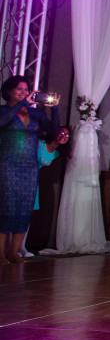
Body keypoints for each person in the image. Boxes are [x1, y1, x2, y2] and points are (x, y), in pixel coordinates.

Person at [0, 76, 60, 264]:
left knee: (24, 208)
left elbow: (54, 130)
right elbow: (3, 122)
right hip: (8, 164)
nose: (24, 93)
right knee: (6, 208)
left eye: (26, 90)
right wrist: (23, 103)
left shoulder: (35, 114)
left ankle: (14, 252)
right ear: (9, 91)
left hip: (29, 166)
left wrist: (55, 108)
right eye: (19, 89)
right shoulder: (4, 110)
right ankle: (0, 254)